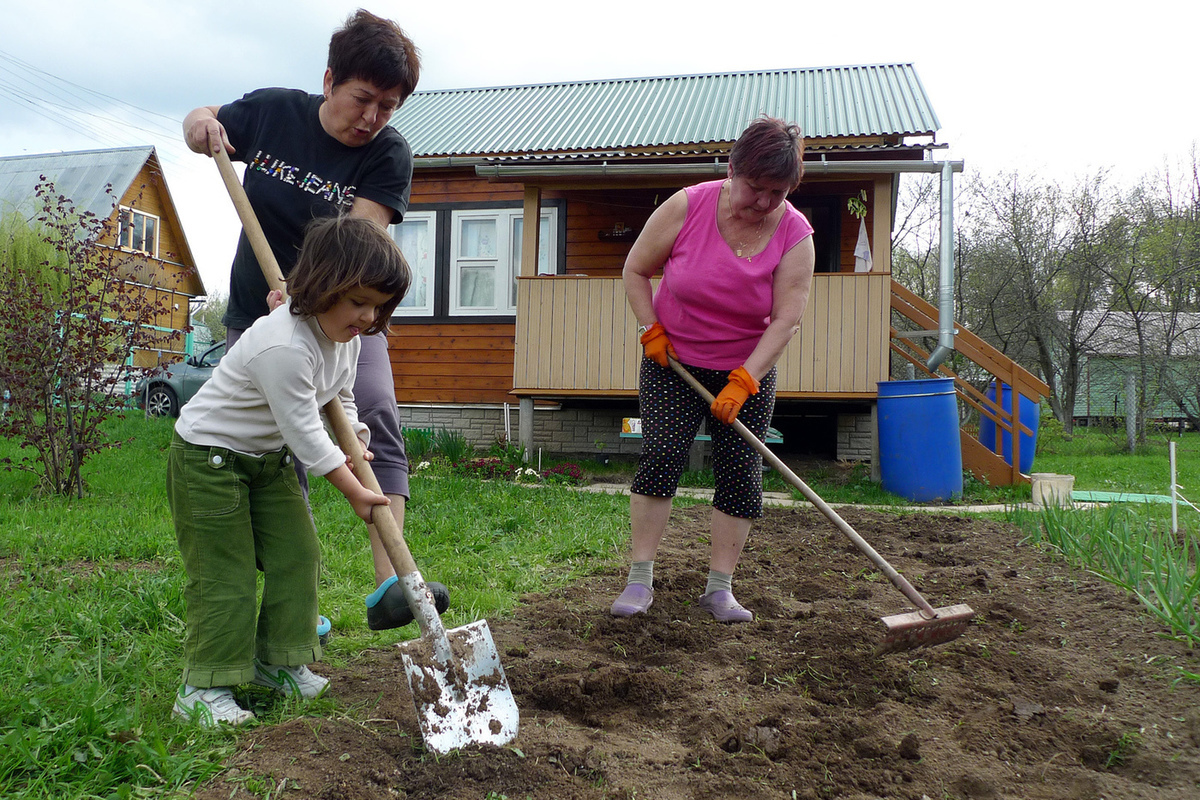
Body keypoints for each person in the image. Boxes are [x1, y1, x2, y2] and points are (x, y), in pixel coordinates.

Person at [182, 9, 447, 637]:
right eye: (363, 99)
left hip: (343, 306)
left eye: (388, 105)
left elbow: (359, 246)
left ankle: (392, 581)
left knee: (373, 410)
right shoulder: (274, 112)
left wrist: (310, 295)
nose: (372, 117)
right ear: (330, 80)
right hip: (260, 315)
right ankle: (297, 600)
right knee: (278, 441)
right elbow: (203, 122)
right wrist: (202, 126)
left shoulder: (389, 154)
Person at [169, 216, 408, 726]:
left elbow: (339, 398)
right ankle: (201, 688)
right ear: (324, 286)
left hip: (267, 459)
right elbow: (305, 434)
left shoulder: (347, 337)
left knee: (298, 556)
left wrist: (359, 447)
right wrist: (355, 493)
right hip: (210, 459)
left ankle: (276, 663)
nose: (368, 317)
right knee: (225, 574)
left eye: (378, 306)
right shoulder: (284, 345)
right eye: (359, 301)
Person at [612, 116, 816, 623]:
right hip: (673, 363)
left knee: (742, 473)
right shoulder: (688, 205)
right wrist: (650, 328)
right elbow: (635, 270)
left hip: (745, 371)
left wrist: (746, 379)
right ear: (731, 168)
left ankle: (719, 589)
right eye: (756, 188)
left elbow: (788, 317)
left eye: (779, 191)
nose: (766, 202)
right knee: (660, 457)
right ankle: (640, 580)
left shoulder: (794, 233)